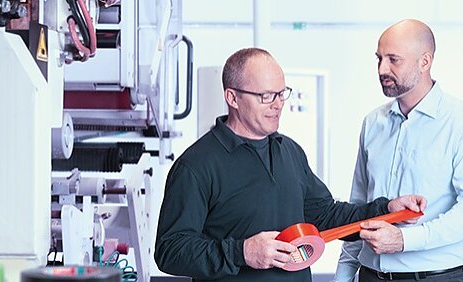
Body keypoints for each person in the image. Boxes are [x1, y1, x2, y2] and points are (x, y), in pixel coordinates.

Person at [154, 47, 428, 282]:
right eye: (266, 96)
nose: (277, 105)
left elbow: (325, 216)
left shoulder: (290, 152)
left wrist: (385, 209)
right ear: (233, 98)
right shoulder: (196, 165)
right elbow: (170, 250)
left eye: (281, 93)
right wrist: (242, 252)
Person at [334, 19, 463, 282]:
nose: (382, 69)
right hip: (370, 276)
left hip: (436, 277)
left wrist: (405, 240)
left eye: (393, 60)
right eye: (379, 59)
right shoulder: (373, 123)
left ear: (425, 61)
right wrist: (343, 275)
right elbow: (359, 208)